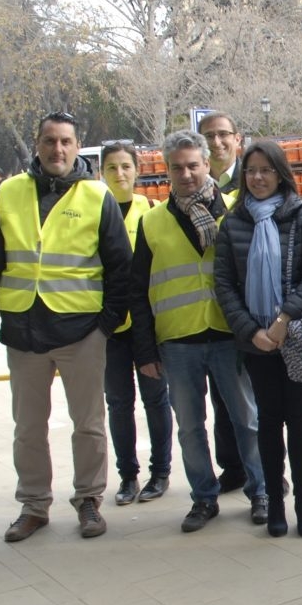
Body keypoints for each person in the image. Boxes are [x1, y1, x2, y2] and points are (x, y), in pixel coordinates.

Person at [0, 112, 133, 542]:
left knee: (88, 423)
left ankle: (89, 499)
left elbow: (120, 267)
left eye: (66, 142)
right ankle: (33, 505)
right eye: (50, 141)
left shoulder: (96, 196)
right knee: (28, 427)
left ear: (77, 146)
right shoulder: (7, 193)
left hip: (80, 332)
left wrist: (104, 325)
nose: (58, 149)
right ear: (37, 144)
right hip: (24, 330)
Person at [130, 130, 266, 534]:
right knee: (189, 427)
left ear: (208, 164)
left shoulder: (237, 212)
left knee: (247, 418)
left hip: (230, 335)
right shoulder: (151, 221)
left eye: (193, 165)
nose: (186, 174)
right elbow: (138, 290)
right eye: (177, 167)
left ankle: (260, 490)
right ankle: (204, 498)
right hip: (178, 341)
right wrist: (145, 351)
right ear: (166, 171)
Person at [216, 142, 302, 538]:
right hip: (255, 342)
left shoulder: (301, 218)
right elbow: (225, 285)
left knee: (298, 417)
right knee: (267, 420)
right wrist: (252, 331)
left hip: (294, 336)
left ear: (281, 173)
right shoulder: (232, 223)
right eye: (251, 171)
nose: (258, 178)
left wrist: (283, 320)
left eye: (265, 170)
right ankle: (275, 502)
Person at [99, 142, 172, 505]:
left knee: (156, 400)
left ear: (137, 170)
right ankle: (128, 475)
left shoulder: (152, 211)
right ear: (102, 172)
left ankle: (161, 471)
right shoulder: (95, 211)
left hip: (147, 325)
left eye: (125, 166)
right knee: (118, 402)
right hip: (111, 327)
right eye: (111, 167)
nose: (119, 174)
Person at [197, 110, 249, 492]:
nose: (216, 143)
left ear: (237, 138)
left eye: (222, 135)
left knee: (253, 399)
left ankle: (265, 469)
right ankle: (232, 467)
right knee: (222, 400)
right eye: (208, 136)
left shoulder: (252, 181)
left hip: (248, 309)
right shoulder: (191, 183)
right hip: (208, 313)